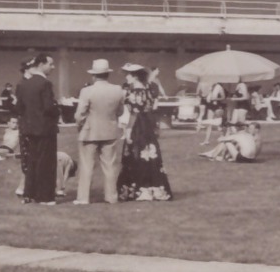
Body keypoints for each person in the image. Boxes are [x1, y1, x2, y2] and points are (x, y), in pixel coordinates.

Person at [73, 59, 126, 205]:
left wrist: (81, 125)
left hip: (90, 131)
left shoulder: (87, 91)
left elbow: (79, 114)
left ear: (94, 75)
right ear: (107, 74)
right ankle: (111, 197)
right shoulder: (118, 90)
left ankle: (83, 198)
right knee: (110, 166)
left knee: (87, 166)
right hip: (110, 131)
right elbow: (120, 112)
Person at [117, 64, 172, 201]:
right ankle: (150, 189)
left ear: (135, 75)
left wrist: (128, 131)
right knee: (149, 156)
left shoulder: (133, 92)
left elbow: (134, 114)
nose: (126, 77)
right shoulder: (147, 90)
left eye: (128, 74)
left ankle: (137, 189)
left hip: (137, 127)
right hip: (147, 127)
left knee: (135, 156)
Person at [16, 54, 61, 205]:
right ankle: (45, 196)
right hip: (45, 129)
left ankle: (30, 194)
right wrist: (58, 109)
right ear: (41, 64)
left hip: (29, 129)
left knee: (32, 161)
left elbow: (20, 108)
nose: (52, 67)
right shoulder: (45, 84)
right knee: (46, 163)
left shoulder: (24, 84)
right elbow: (49, 107)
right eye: (50, 64)